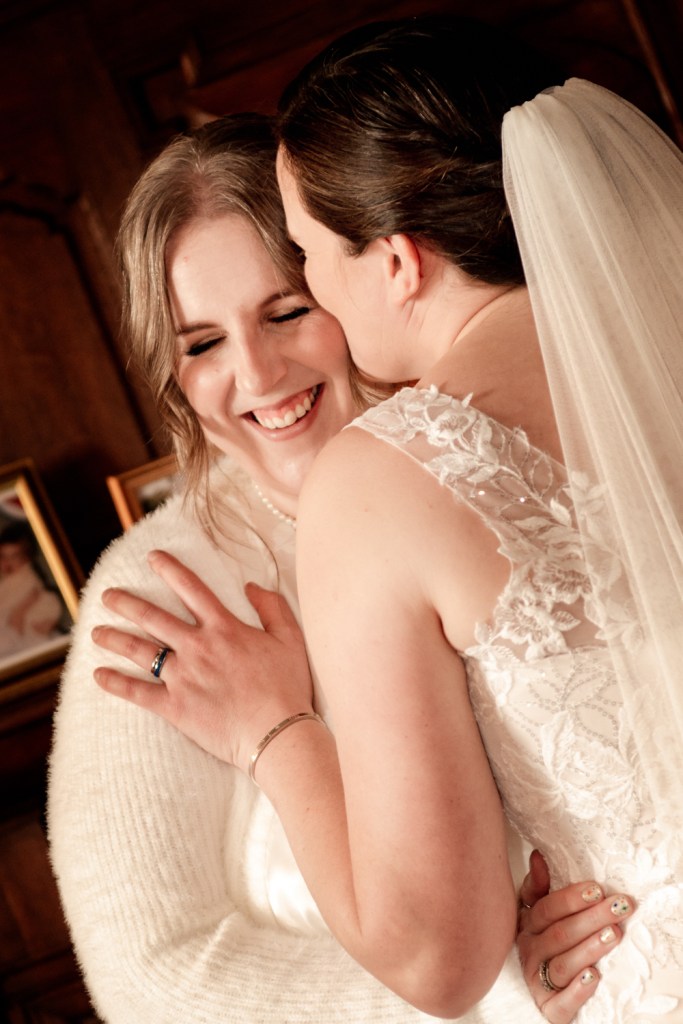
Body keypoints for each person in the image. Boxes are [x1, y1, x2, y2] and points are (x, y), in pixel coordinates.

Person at [90, 15, 683, 1024]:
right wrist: (508, 976)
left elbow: (429, 953)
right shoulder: (152, 594)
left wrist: (273, 731)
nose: (259, 373)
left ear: (396, 261)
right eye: (199, 343)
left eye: (298, 283)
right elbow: (153, 967)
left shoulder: (383, 482)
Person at [0, 521, 62, 656]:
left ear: (27, 558)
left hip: (27, 631)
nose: (7, 563)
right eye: (3, 556)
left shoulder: (27, 577)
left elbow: (44, 597)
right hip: (13, 630)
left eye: (14, 557)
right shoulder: (7, 580)